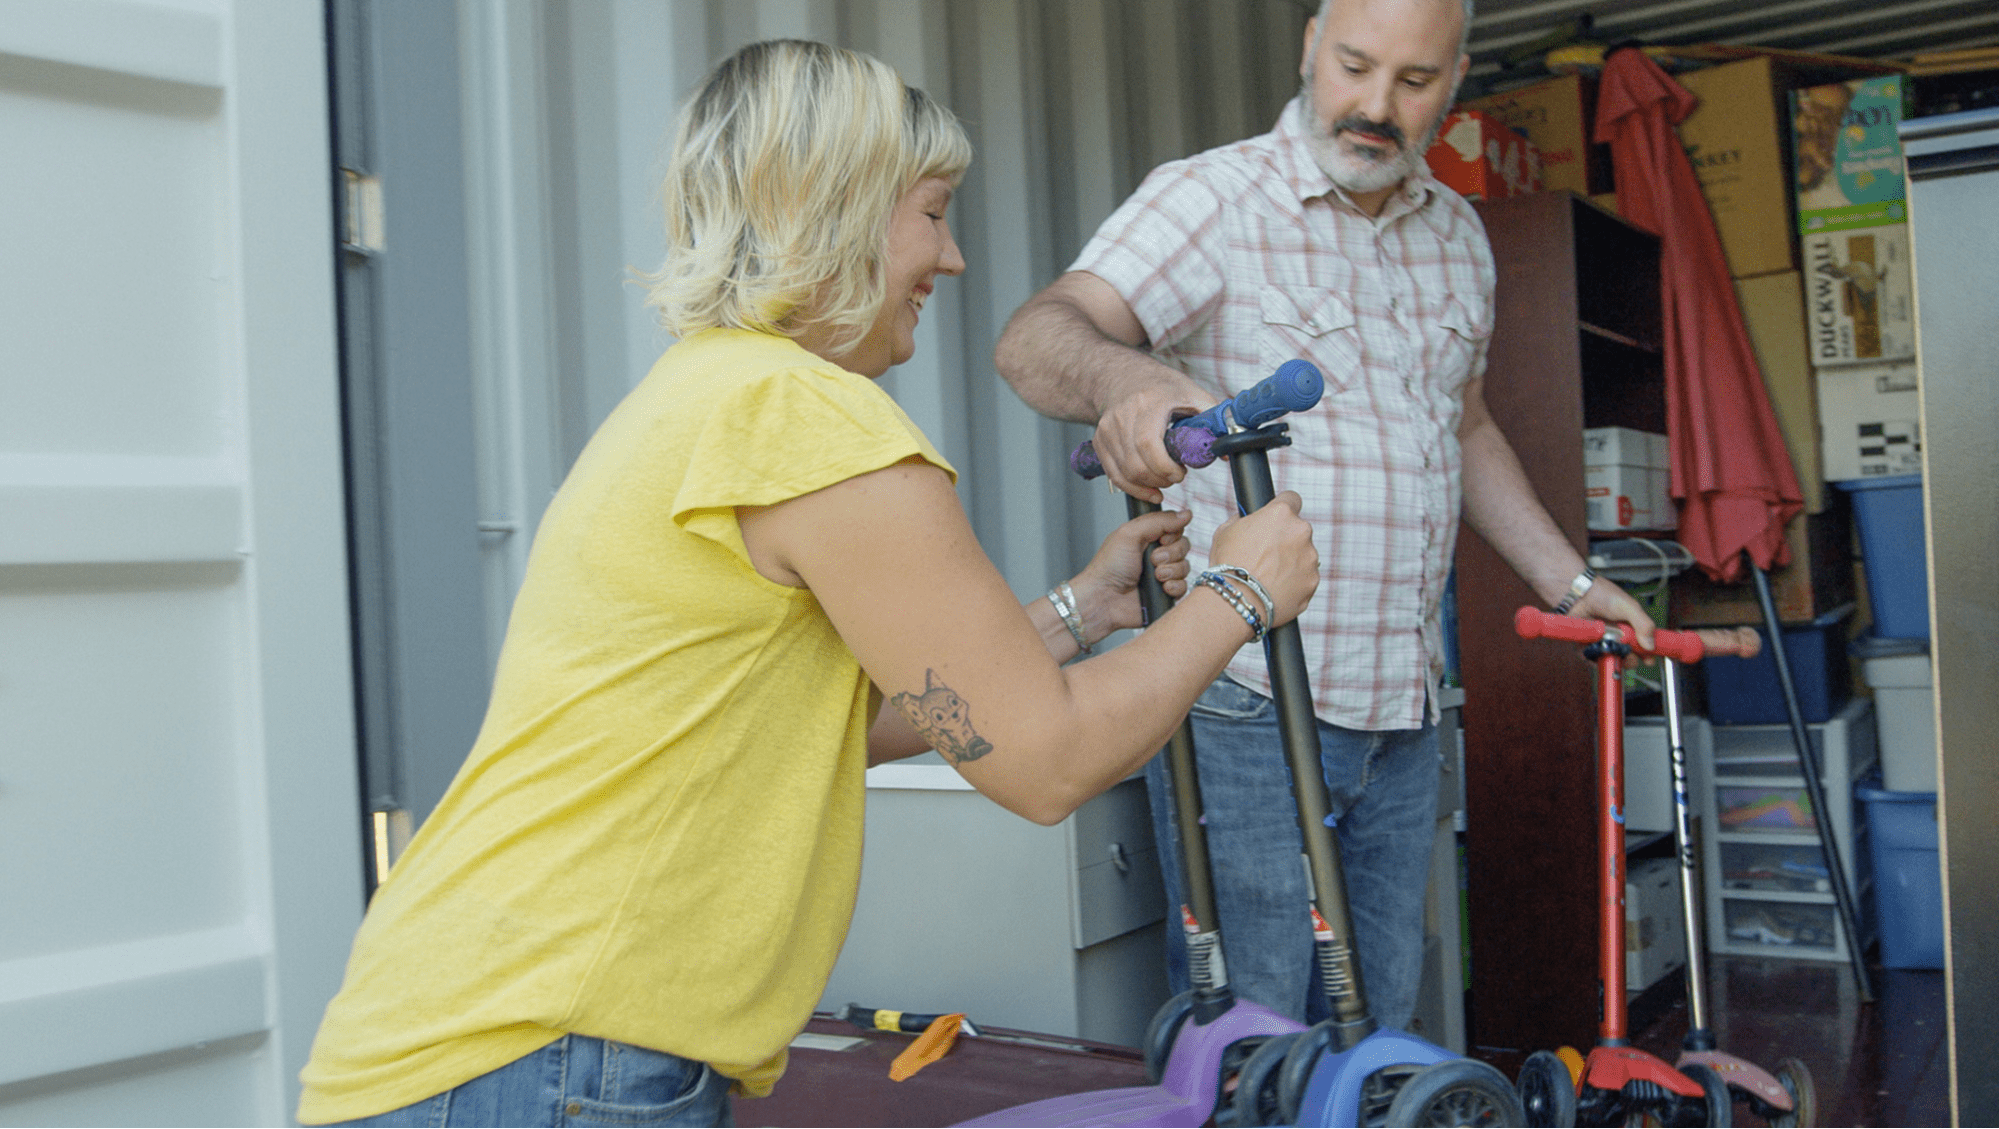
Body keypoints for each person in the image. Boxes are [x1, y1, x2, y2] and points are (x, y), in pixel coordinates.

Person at [294, 38, 1321, 1129]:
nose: (954, 257)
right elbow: (1046, 760)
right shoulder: (806, 420)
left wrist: (1083, 610)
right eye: (931, 212)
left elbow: (834, 717)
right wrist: (1239, 593)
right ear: (837, 209)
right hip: (552, 1053)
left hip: (486, 1038)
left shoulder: (708, 395)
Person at [995, 0, 1655, 1033]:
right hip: (1245, 699)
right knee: (1254, 1038)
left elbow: (1465, 427)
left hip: (1401, 705)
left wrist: (1565, 580)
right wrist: (1130, 381)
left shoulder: (1458, 237)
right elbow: (1037, 338)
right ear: (1310, 46)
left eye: (1414, 81)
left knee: (1373, 1030)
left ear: (1456, 78)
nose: (1375, 105)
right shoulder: (1212, 199)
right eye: (1353, 66)